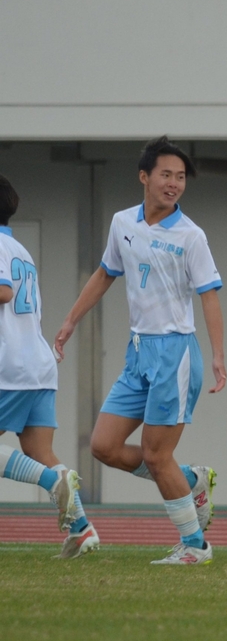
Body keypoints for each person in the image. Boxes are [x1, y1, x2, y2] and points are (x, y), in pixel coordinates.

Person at [55, 137, 224, 565]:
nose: (173, 184)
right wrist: (71, 319)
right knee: (104, 446)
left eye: (180, 177)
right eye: (166, 175)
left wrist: (219, 355)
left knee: (154, 453)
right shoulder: (122, 223)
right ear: (144, 177)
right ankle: (189, 481)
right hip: (137, 352)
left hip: (175, 353)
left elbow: (209, 297)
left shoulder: (191, 235)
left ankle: (195, 546)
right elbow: (105, 273)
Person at [0, 174, 84, 553]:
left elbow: (3, 292)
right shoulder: (19, 249)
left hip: (10, 364)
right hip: (37, 363)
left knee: (45, 468)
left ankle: (53, 484)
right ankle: (81, 529)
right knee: (41, 453)